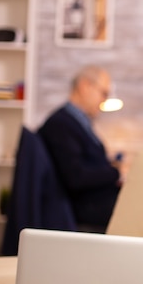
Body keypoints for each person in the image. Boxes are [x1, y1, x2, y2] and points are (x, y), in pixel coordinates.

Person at [38, 65, 122, 233]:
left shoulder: (76, 122)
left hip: (93, 204)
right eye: (103, 93)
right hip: (87, 210)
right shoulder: (61, 124)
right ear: (85, 86)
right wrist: (116, 172)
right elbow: (76, 176)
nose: (104, 101)